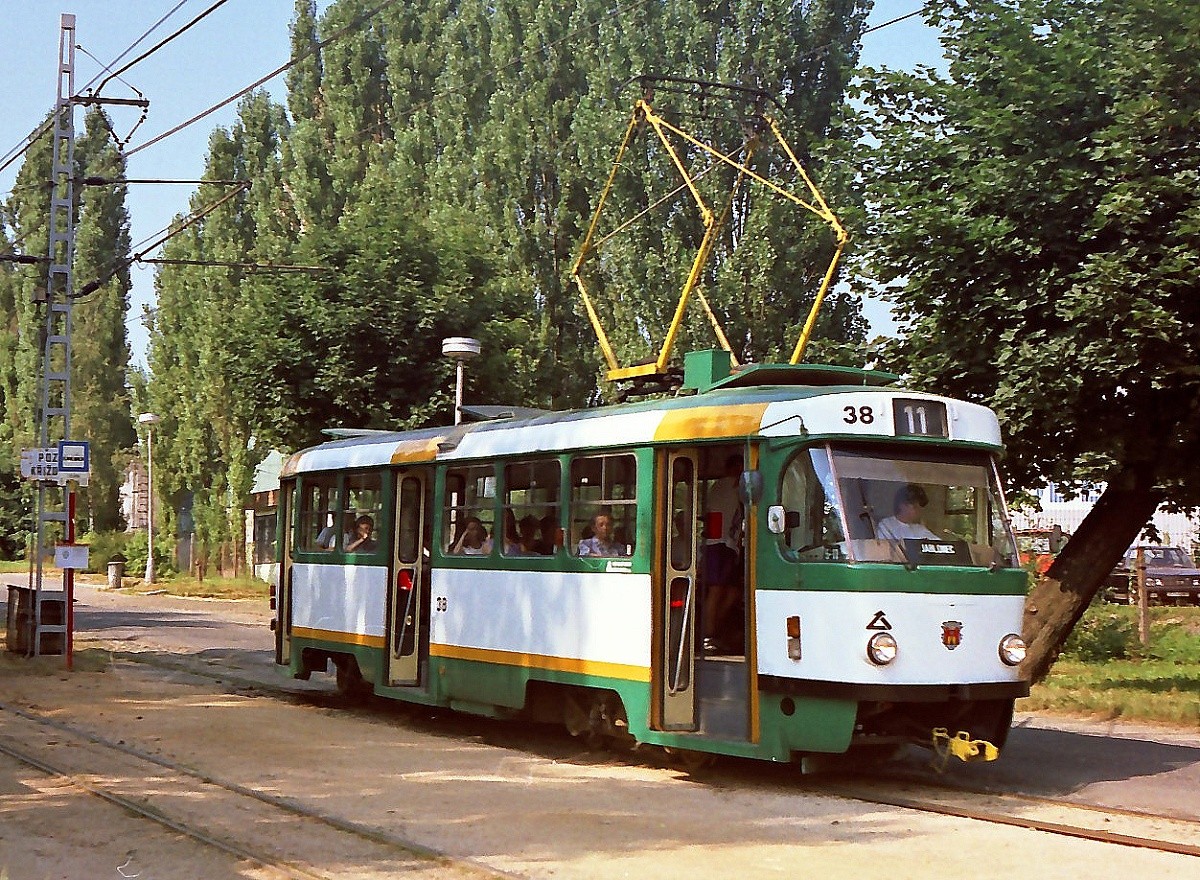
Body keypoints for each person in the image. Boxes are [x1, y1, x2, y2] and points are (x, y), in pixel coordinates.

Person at [702, 454, 744, 654]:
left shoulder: (727, 487)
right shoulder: (723, 485)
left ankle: (715, 630)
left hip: (729, 544)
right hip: (717, 543)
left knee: (733, 590)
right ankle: (708, 635)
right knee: (717, 590)